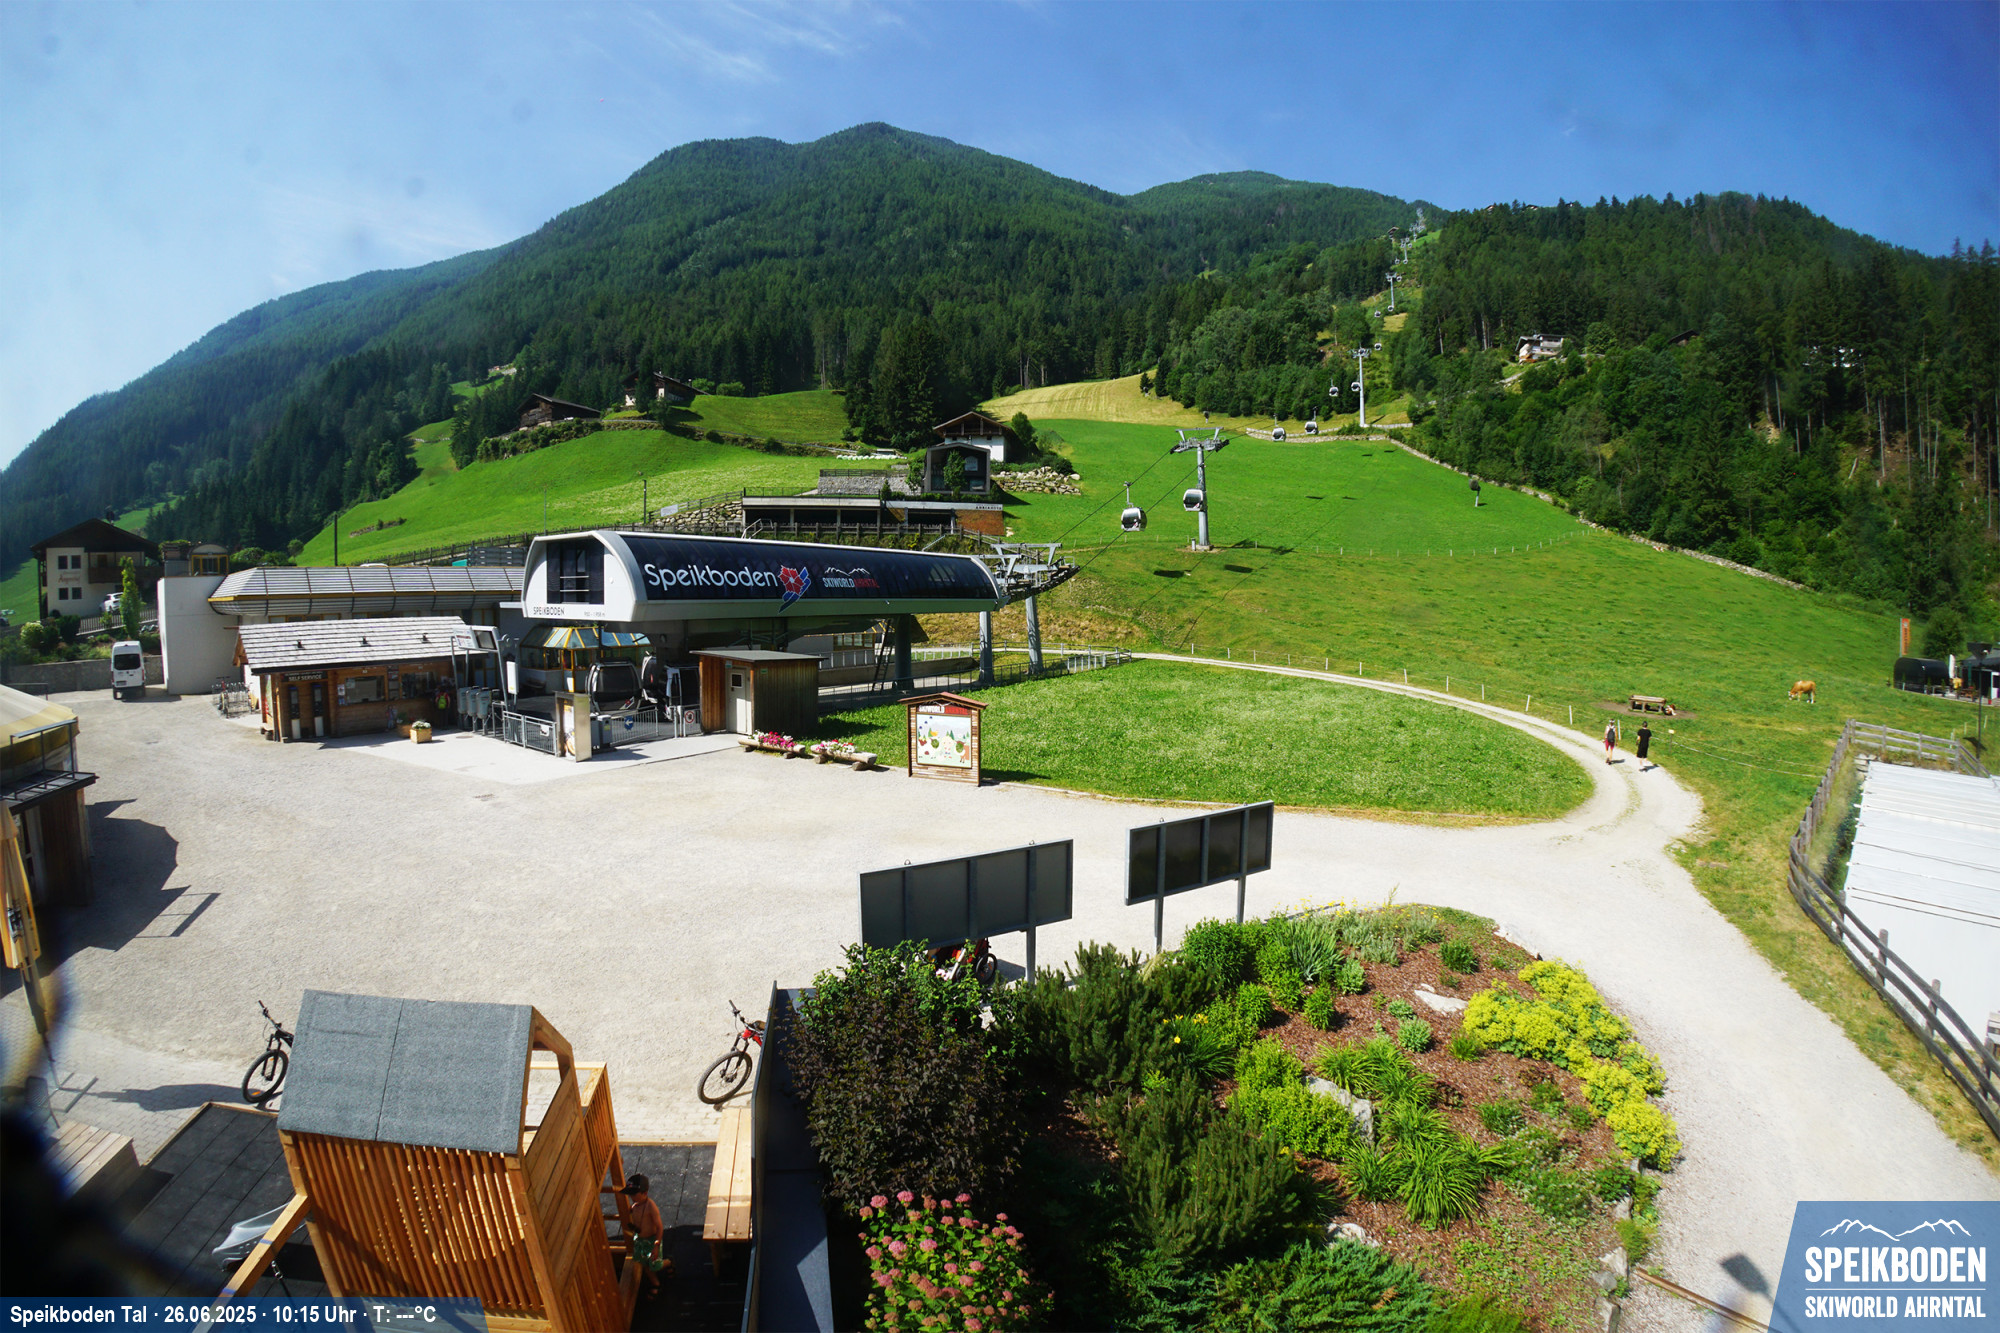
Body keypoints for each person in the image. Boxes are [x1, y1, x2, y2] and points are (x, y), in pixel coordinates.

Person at [619, 1173, 670, 1297]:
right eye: (630, 1194)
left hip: (651, 1240)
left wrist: (656, 1245)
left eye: (634, 1194)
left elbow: (659, 1227)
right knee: (645, 1263)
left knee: (655, 1265)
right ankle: (656, 1283)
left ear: (644, 1193)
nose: (632, 1197)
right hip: (640, 1239)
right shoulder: (635, 1206)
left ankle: (669, 1262)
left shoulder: (650, 1207)